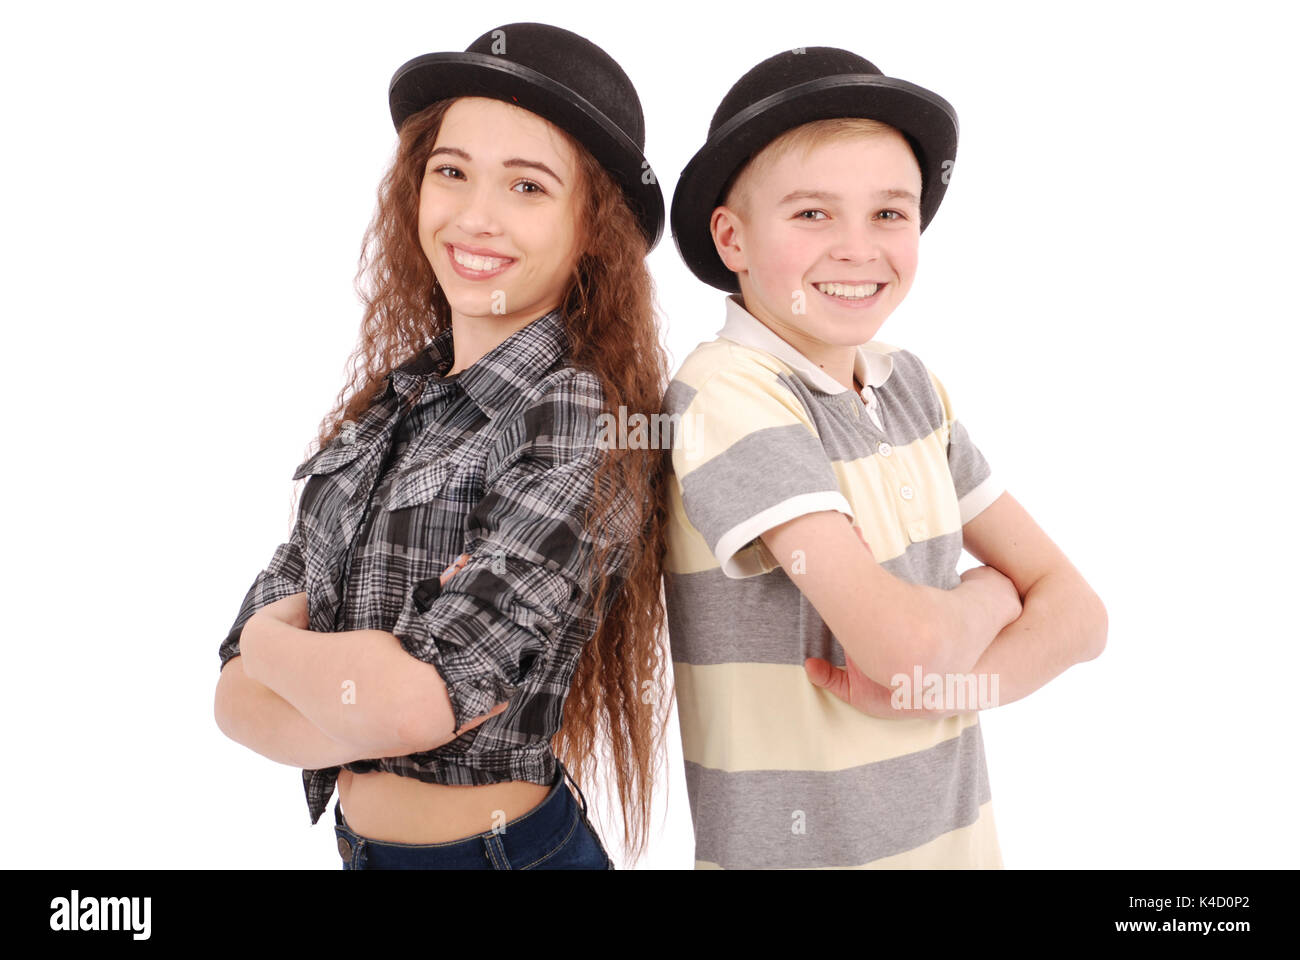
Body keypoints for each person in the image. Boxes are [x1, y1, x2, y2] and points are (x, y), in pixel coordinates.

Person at [213, 21, 674, 870]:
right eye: (451, 172)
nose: (475, 215)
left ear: (592, 229)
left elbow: (412, 707)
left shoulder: (581, 418)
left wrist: (277, 649)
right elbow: (231, 704)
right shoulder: (395, 405)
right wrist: (350, 680)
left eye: (528, 187)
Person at [661, 46, 1108, 868]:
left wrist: (945, 688)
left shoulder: (910, 388)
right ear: (732, 237)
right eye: (811, 214)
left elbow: (1080, 617)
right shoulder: (725, 396)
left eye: (890, 214)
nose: (858, 250)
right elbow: (901, 650)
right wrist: (988, 596)